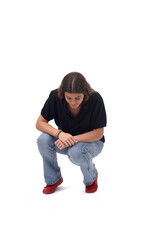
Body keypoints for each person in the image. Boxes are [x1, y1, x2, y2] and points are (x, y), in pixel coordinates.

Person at [36, 72, 107, 194]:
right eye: (69, 98)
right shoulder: (55, 96)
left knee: (76, 151)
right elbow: (40, 123)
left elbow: (98, 133)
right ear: (63, 93)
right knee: (43, 140)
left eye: (77, 98)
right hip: (64, 141)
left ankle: (91, 177)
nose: (73, 102)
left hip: (91, 143)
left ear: (84, 94)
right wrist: (59, 134)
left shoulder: (95, 98)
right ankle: (54, 179)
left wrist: (73, 139)